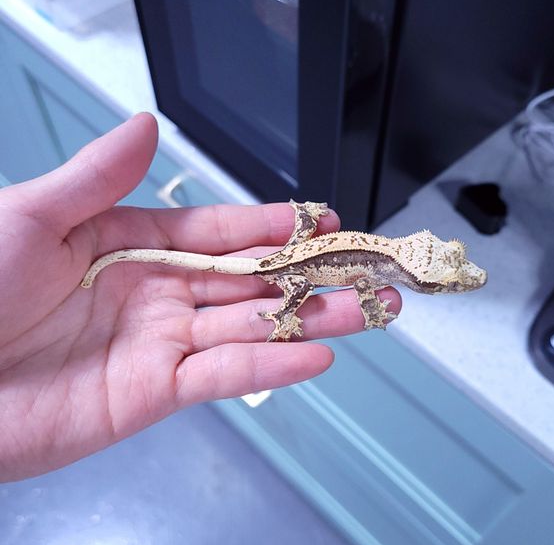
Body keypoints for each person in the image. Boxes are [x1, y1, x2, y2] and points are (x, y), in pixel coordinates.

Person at [0, 113, 401, 482]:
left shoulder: (382, 258)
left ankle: (288, 296)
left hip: (296, 254)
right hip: (289, 269)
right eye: (432, 285)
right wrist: (360, 310)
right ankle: (283, 315)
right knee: (299, 291)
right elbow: (362, 288)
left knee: (299, 278)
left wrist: (307, 220)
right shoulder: (375, 270)